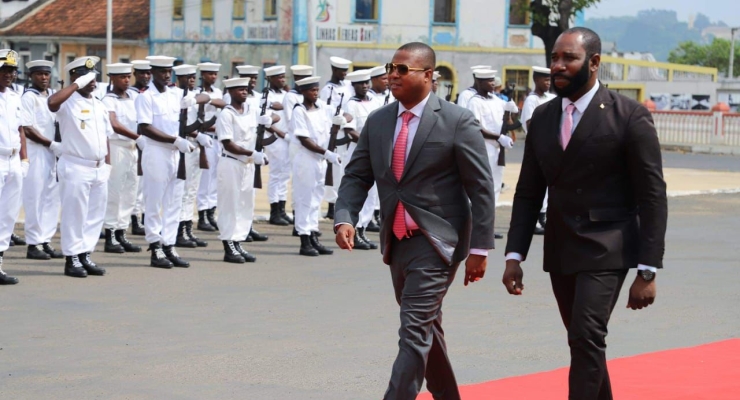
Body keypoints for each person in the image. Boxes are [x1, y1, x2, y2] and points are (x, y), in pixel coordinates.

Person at [502, 27, 668, 400]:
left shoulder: (629, 116)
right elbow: (529, 193)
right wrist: (515, 255)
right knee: (583, 342)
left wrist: (648, 268)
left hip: (608, 247)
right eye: (555, 58)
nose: (557, 66)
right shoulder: (543, 117)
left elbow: (652, 196)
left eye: (568, 58)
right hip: (561, 249)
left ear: (593, 63)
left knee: (586, 335)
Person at [334, 42, 495, 400]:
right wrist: (344, 216)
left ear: (427, 75)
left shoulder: (456, 120)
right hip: (397, 241)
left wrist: (481, 248)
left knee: (413, 331)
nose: (392, 74)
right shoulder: (378, 121)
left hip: (438, 242)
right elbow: (357, 176)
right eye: (391, 67)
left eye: (402, 69)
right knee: (426, 329)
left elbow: (481, 187)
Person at [135, 55, 213, 269]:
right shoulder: (145, 97)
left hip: (175, 154)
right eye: (162, 72)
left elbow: (206, 96)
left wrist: (193, 100)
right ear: (153, 73)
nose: (167, 75)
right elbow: (145, 127)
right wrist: (175, 140)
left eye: (169, 71)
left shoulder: (175, 94)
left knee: (174, 202)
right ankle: (155, 245)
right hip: (157, 151)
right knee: (154, 203)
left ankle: (169, 244)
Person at [47, 56, 112, 278]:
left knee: (95, 215)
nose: (93, 80)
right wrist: (76, 85)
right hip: (76, 166)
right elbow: (51, 103)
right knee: (75, 214)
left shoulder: (99, 104)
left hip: (98, 167)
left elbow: (106, 137)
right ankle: (72, 257)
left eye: (94, 76)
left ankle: (85, 254)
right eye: (87, 76)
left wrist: (107, 165)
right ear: (74, 76)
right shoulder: (67, 101)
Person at [216, 77, 270, 263]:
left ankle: (238, 240)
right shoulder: (226, 114)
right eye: (239, 89)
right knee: (229, 205)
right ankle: (228, 243)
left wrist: (269, 119)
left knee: (245, 205)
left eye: (245, 89)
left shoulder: (251, 111)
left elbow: (273, 118)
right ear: (230, 92)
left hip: (247, 164)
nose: (244, 92)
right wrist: (252, 153)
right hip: (231, 163)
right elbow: (228, 143)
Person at [291, 76, 343, 256]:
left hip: (319, 160)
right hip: (306, 158)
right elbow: (304, 139)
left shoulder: (321, 108)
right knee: (304, 200)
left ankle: (313, 236)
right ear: (303, 92)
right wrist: (327, 153)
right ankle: (304, 240)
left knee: (316, 200)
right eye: (312, 90)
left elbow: (339, 117)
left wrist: (340, 120)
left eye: (316, 89)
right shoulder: (299, 111)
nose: (315, 93)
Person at [20, 59, 64, 260]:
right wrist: (51, 144)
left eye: (46, 74)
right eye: (39, 74)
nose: (44, 78)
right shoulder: (29, 97)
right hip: (37, 151)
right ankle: (33, 243)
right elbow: (27, 128)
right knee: (35, 198)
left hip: (51, 153)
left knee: (50, 199)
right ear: (31, 76)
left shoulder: (53, 96)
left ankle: (45, 239)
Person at [466, 68, 515, 239]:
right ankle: (475, 226)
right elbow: (476, 127)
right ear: (479, 82)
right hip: (483, 148)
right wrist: (499, 137)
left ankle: (487, 226)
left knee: (494, 188)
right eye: (489, 80)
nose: (493, 83)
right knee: (481, 187)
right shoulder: (475, 102)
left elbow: (508, 122)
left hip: (497, 148)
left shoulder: (497, 100)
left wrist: (510, 110)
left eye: (493, 80)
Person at [101, 63, 144, 254]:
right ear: (112, 78)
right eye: (122, 77)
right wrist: (137, 137)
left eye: (128, 76)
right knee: (115, 191)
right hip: (117, 146)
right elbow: (114, 124)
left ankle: (121, 232)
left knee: (130, 192)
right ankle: (110, 234)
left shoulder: (134, 97)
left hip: (132, 148)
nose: (126, 80)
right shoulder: (108, 100)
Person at [342, 69, 381, 250]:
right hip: (359, 152)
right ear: (353, 86)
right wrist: (370, 143)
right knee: (360, 192)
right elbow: (349, 131)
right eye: (361, 84)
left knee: (371, 194)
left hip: (375, 151)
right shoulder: (351, 104)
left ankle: (363, 229)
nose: (365, 86)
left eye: (367, 83)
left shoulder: (374, 102)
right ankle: (355, 231)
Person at [172, 64, 209, 248]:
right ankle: (179, 231)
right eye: (188, 77)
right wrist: (197, 135)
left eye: (194, 76)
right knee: (182, 191)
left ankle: (187, 229)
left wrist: (195, 100)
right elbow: (181, 126)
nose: (192, 80)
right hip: (183, 145)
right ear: (179, 79)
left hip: (196, 147)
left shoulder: (194, 97)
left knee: (192, 191)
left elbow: (208, 97)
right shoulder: (174, 96)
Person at [0, 49, 27, 285]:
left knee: (8, 215)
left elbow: (21, 129)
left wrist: (24, 159)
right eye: (4, 70)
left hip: (13, 159)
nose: (9, 74)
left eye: (12, 70)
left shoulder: (15, 97)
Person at [521, 65, 557, 235]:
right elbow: (530, 124)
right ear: (536, 80)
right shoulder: (532, 100)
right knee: (536, 183)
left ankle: (544, 216)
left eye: (550, 79)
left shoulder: (551, 97)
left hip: (551, 146)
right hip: (538, 146)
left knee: (549, 183)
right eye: (545, 79)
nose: (548, 82)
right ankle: (535, 218)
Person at [319, 56, 353, 219]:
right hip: (335, 131)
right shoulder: (328, 89)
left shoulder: (348, 86)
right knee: (334, 169)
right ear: (334, 70)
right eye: (342, 70)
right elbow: (325, 111)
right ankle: (332, 205)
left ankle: (340, 201)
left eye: (346, 70)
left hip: (346, 128)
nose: (345, 73)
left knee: (344, 169)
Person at [195, 62, 223, 232]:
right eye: (210, 74)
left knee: (214, 179)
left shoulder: (218, 92)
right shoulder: (197, 93)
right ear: (203, 75)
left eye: (215, 74)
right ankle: (202, 215)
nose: (213, 77)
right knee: (205, 180)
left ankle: (211, 213)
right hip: (205, 137)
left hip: (218, 139)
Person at [262, 65, 292, 227]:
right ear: (270, 79)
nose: (282, 80)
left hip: (287, 140)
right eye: (279, 77)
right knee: (276, 175)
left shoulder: (287, 94)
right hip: (275, 139)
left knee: (285, 175)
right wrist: (282, 135)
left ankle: (282, 209)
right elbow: (266, 122)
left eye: (283, 77)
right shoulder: (266, 96)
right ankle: (274, 211)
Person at [129, 60, 152, 236]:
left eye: (148, 73)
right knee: (135, 184)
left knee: (146, 184)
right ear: (135, 74)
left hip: (149, 142)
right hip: (134, 141)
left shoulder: (151, 94)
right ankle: (134, 219)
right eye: (142, 73)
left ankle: (144, 217)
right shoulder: (130, 93)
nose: (145, 76)